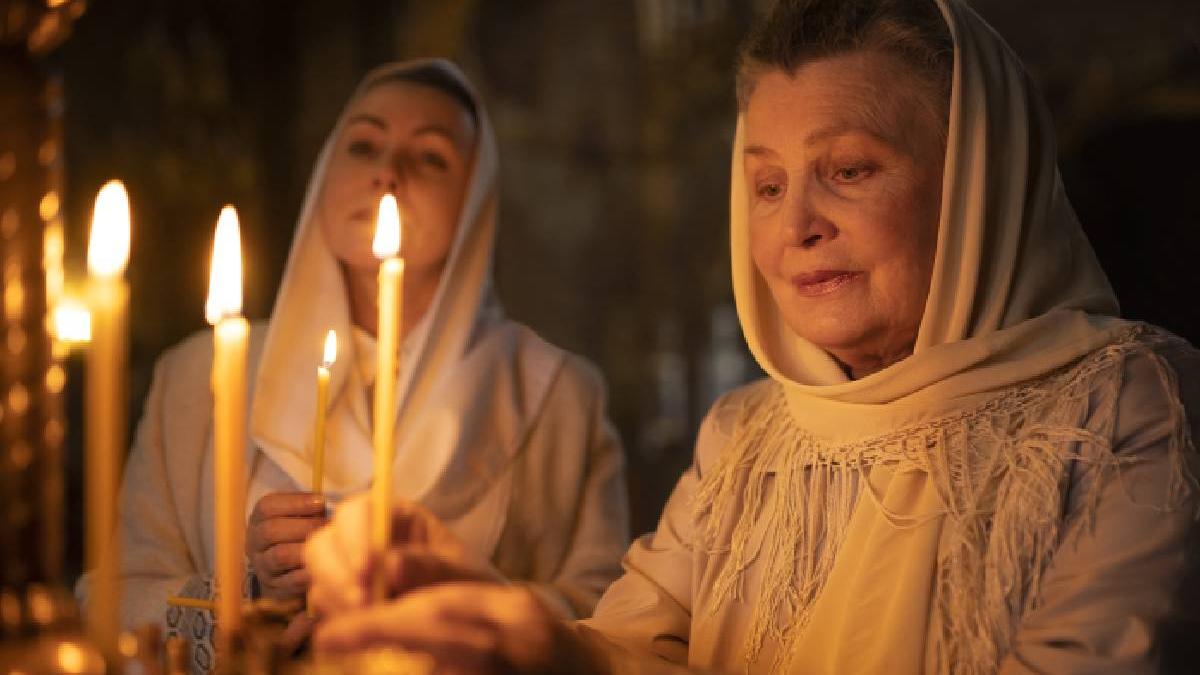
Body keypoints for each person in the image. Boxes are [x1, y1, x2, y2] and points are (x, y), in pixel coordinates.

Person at [304, 1, 1200, 673]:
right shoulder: (747, 440)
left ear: (978, 187)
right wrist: (503, 623)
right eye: (766, 186)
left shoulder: (1127, 407)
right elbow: (632, 650)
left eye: (848, 170)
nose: (794, 227)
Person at [79, 59, 630, 671]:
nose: (387, 174)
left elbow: (606, 623)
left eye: (430, 158)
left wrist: (450, 598)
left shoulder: (555, 395)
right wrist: (250, 597)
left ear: (476, 202)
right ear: (323, 176)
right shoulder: (197, 377)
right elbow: (113, 596)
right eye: (364, 146)